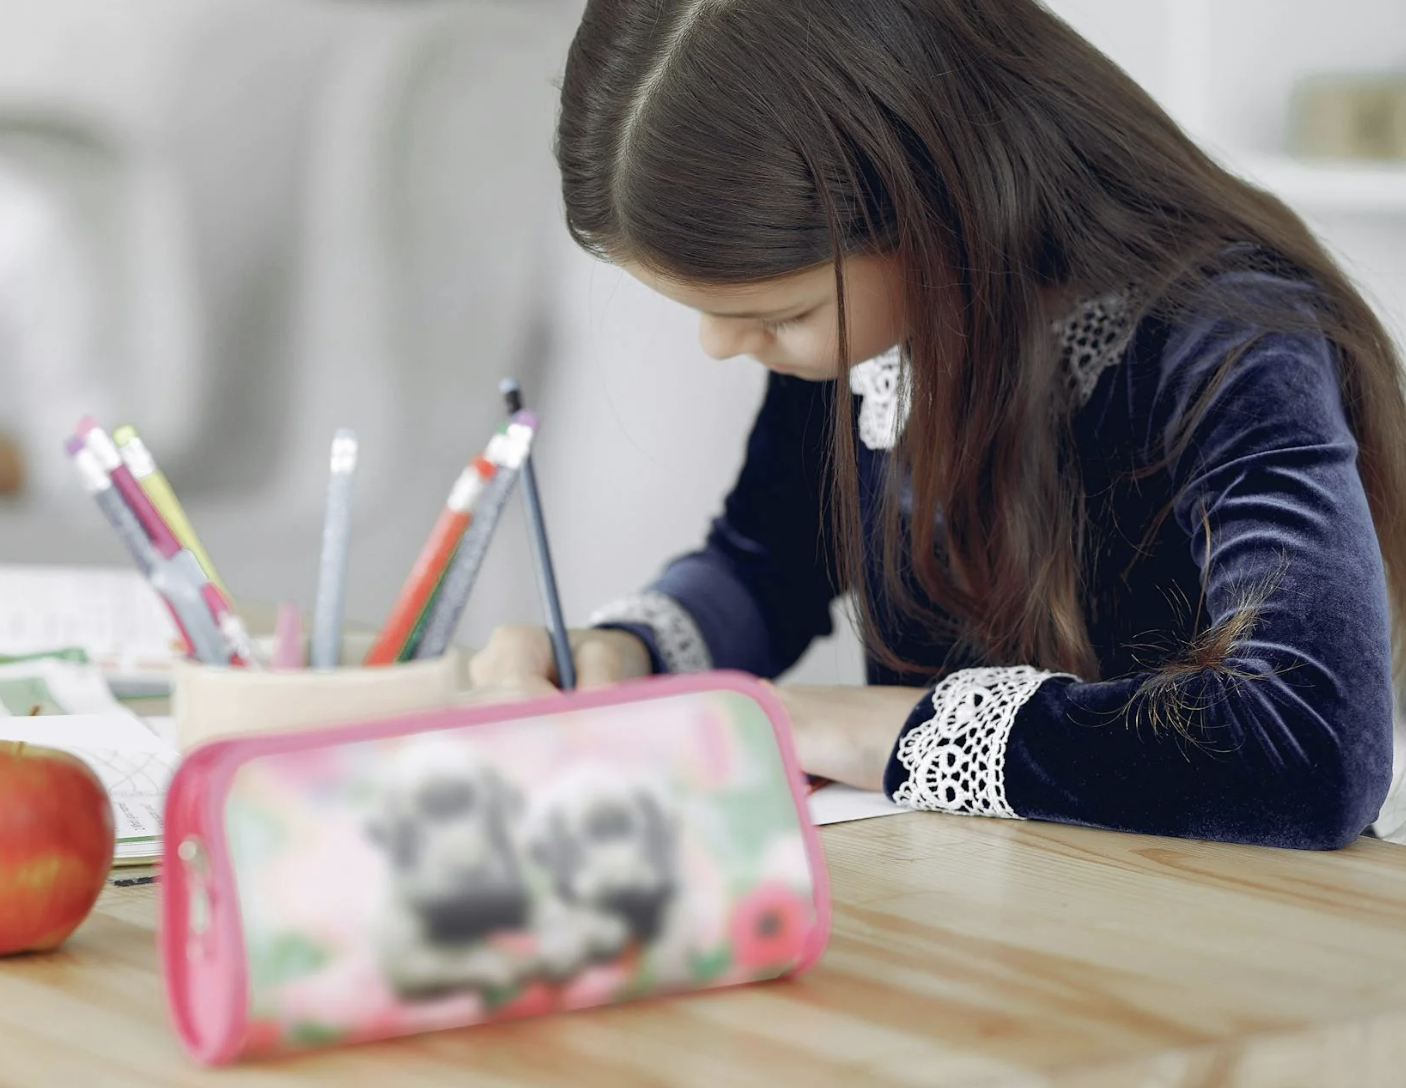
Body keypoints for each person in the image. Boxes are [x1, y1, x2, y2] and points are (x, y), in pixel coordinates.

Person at [471, 0, 1406, 848]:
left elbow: (1308, 746)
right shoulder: (875, 330)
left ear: (939, 200)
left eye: (782, 313)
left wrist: (871, 727)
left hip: (1195, 936)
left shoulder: (1229, 334)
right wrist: (625, 654)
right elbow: (768, 563)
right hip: (955, 918)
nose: (722, 346)